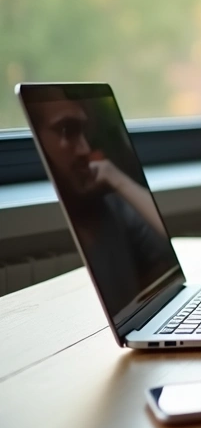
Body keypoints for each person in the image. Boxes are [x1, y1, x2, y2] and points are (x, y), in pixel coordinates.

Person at [28, 92, 173, 313]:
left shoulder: (109, 206)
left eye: (83, 132)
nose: (85, 149)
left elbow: (168, 248)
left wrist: (116, 178)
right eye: (66, 130)